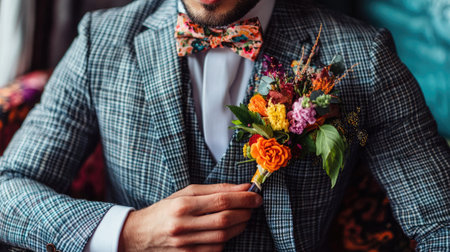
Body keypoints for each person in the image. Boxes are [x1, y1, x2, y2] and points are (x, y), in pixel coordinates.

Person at [1, 0, 449, 251]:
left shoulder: (360, 57)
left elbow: (441, 222)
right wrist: (127, 232)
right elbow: (8, 192)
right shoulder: (100, 41)